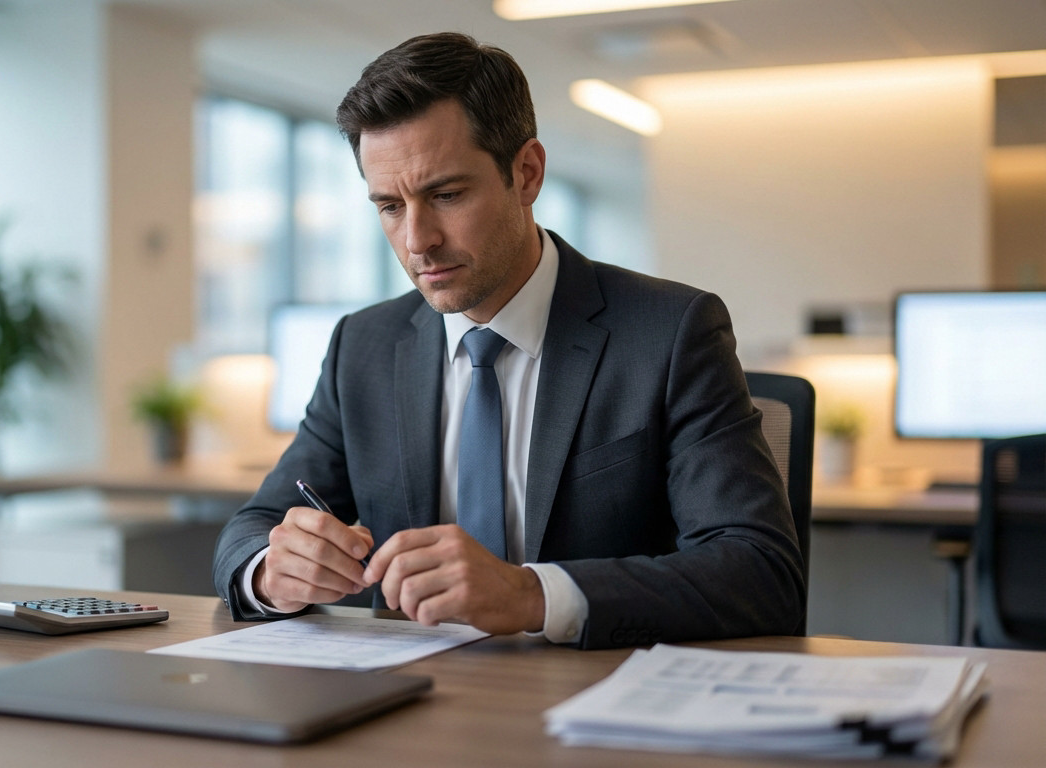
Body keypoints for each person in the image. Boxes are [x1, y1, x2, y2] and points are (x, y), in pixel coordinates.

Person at [212, 31, 804, 648]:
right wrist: (272, 572)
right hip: (410, 699)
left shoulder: (671, 332)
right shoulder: (363, 345)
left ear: (526, 173)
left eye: (445, 195)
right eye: (389, 205)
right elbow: (253, 528)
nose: (417, 241)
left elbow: (761, 572)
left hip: (597, 700)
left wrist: (530, 594)